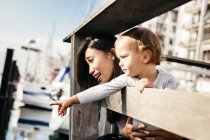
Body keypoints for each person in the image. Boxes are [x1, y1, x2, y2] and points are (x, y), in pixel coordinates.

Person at [50, 27, 182, 139]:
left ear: (145, 56)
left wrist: (155, 91)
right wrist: (72, 100)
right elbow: (101, 90)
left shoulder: (168, 80)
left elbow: (173, 110)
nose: (120, 63)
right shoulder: (127, 78)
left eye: (124, 57)